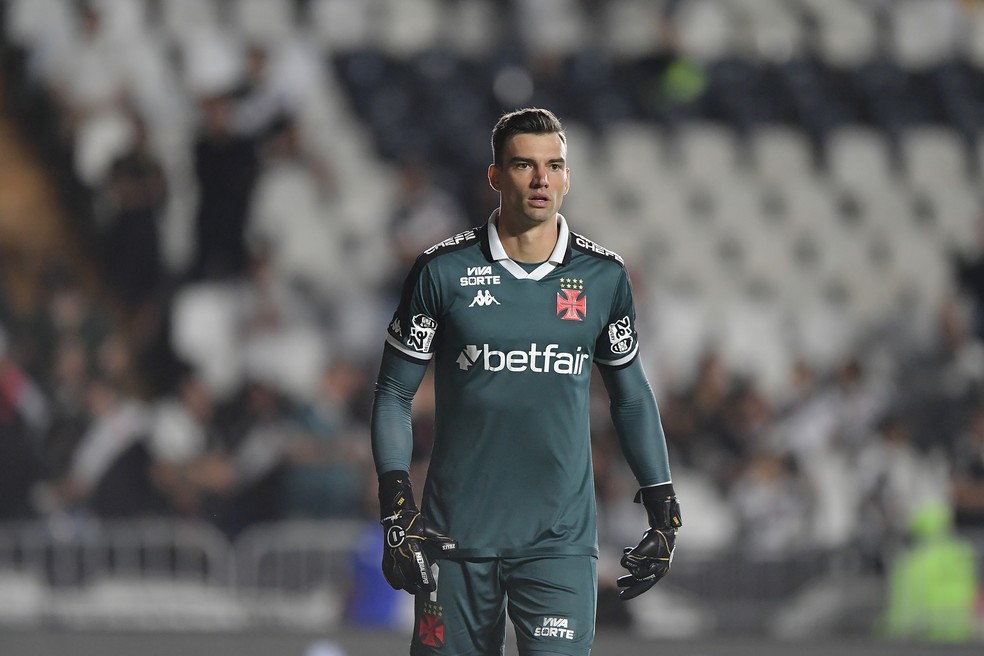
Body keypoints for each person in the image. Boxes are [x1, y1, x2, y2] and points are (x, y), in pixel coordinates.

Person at [370, 107, 681, 656]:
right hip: (454, 538)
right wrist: (396, 501)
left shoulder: (604, 278)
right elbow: (394, 392)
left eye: (553, 165)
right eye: (523, 165)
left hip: (558, 543)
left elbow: (630, 395)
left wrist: (662, 507)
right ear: (495, 177)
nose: (541, 179)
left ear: (567, 176)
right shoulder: (441, 271)